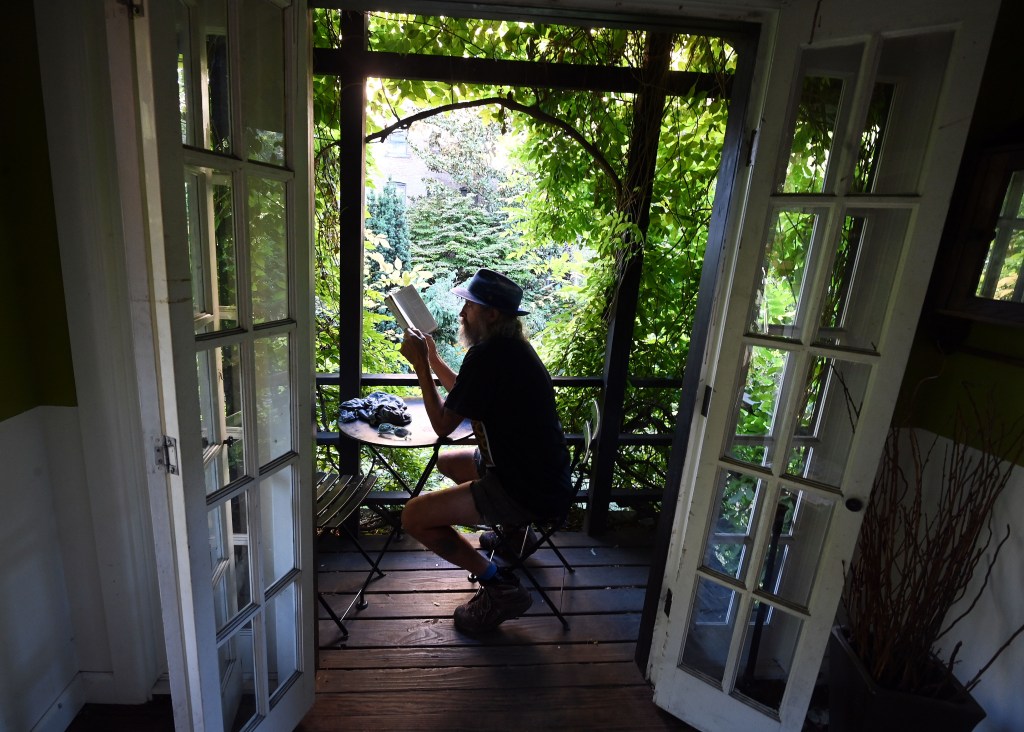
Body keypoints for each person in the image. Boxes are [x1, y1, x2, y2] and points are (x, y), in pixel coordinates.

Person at [398, 268, 572, 635]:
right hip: (539, 473)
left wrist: (419, 368)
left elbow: (444, 425)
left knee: (414, 516)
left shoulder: (489, 355)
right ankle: (513, 535)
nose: (461, 314)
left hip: (523, 486)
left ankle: (499, 586)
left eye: (469, 306)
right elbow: (466, 392)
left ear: (491, 314)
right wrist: (432, 359)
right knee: (449, 462)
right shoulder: (508, 350)